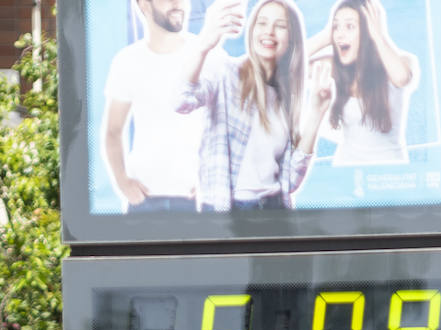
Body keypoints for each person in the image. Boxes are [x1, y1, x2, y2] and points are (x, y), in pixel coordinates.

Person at [175, 0, 331, 211]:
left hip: (276, 211)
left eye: (280, 25)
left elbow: (291, 181)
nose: (269, 32)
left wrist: (316, 112)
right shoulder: (226, 74)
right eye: (262, 22)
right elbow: (181, 101)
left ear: (292, 39)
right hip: (230, 214)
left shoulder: (285, 95)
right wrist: (203, 44)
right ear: (252, 30)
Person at [102, 0, 205, 213]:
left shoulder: (204, 54)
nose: (178, 3)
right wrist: (122, 181)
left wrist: (212, 182)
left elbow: (228, 123)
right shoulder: (128, 61)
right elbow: (113, 130)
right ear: (143, 5)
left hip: (196, 201)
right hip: (144, 201)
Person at [309, 0, 418, 165]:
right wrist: (325, 37)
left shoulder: (402, 61)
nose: (339, 34)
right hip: (345, 168)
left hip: (389, 171)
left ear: (369, 30)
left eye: (349, 26)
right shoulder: (335, 66)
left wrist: (379, 36)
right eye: (336, 26)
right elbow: (284, 68)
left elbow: (402, 78)